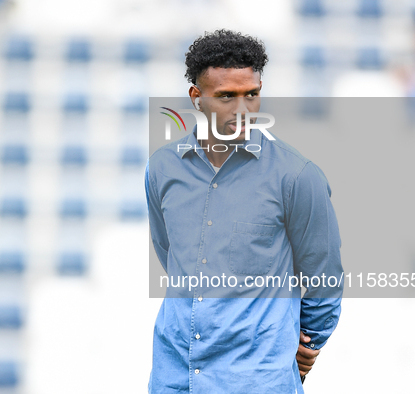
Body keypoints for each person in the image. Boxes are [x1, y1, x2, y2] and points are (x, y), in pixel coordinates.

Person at [146, 29, 343, 393]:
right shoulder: (162, 168)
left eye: (252, 95)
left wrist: (304, 348)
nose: (242, 109)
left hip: (257, 382)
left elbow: (324, 278)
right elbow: (172, 255)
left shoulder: (297, 175)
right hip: (174, 378)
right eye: (226, 97)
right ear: (197, 98)